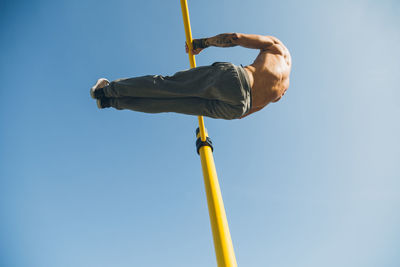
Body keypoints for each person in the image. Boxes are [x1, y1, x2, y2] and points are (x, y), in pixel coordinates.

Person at [90, 33, 291, 120]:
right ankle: (111, 103)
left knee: (166, 86)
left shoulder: (277, 47)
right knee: (167, 104)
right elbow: (250, 112)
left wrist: (203, 43)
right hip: (236, 109)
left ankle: (106, 90)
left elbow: (235, 38)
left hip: (237, 80)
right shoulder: (282, 89)